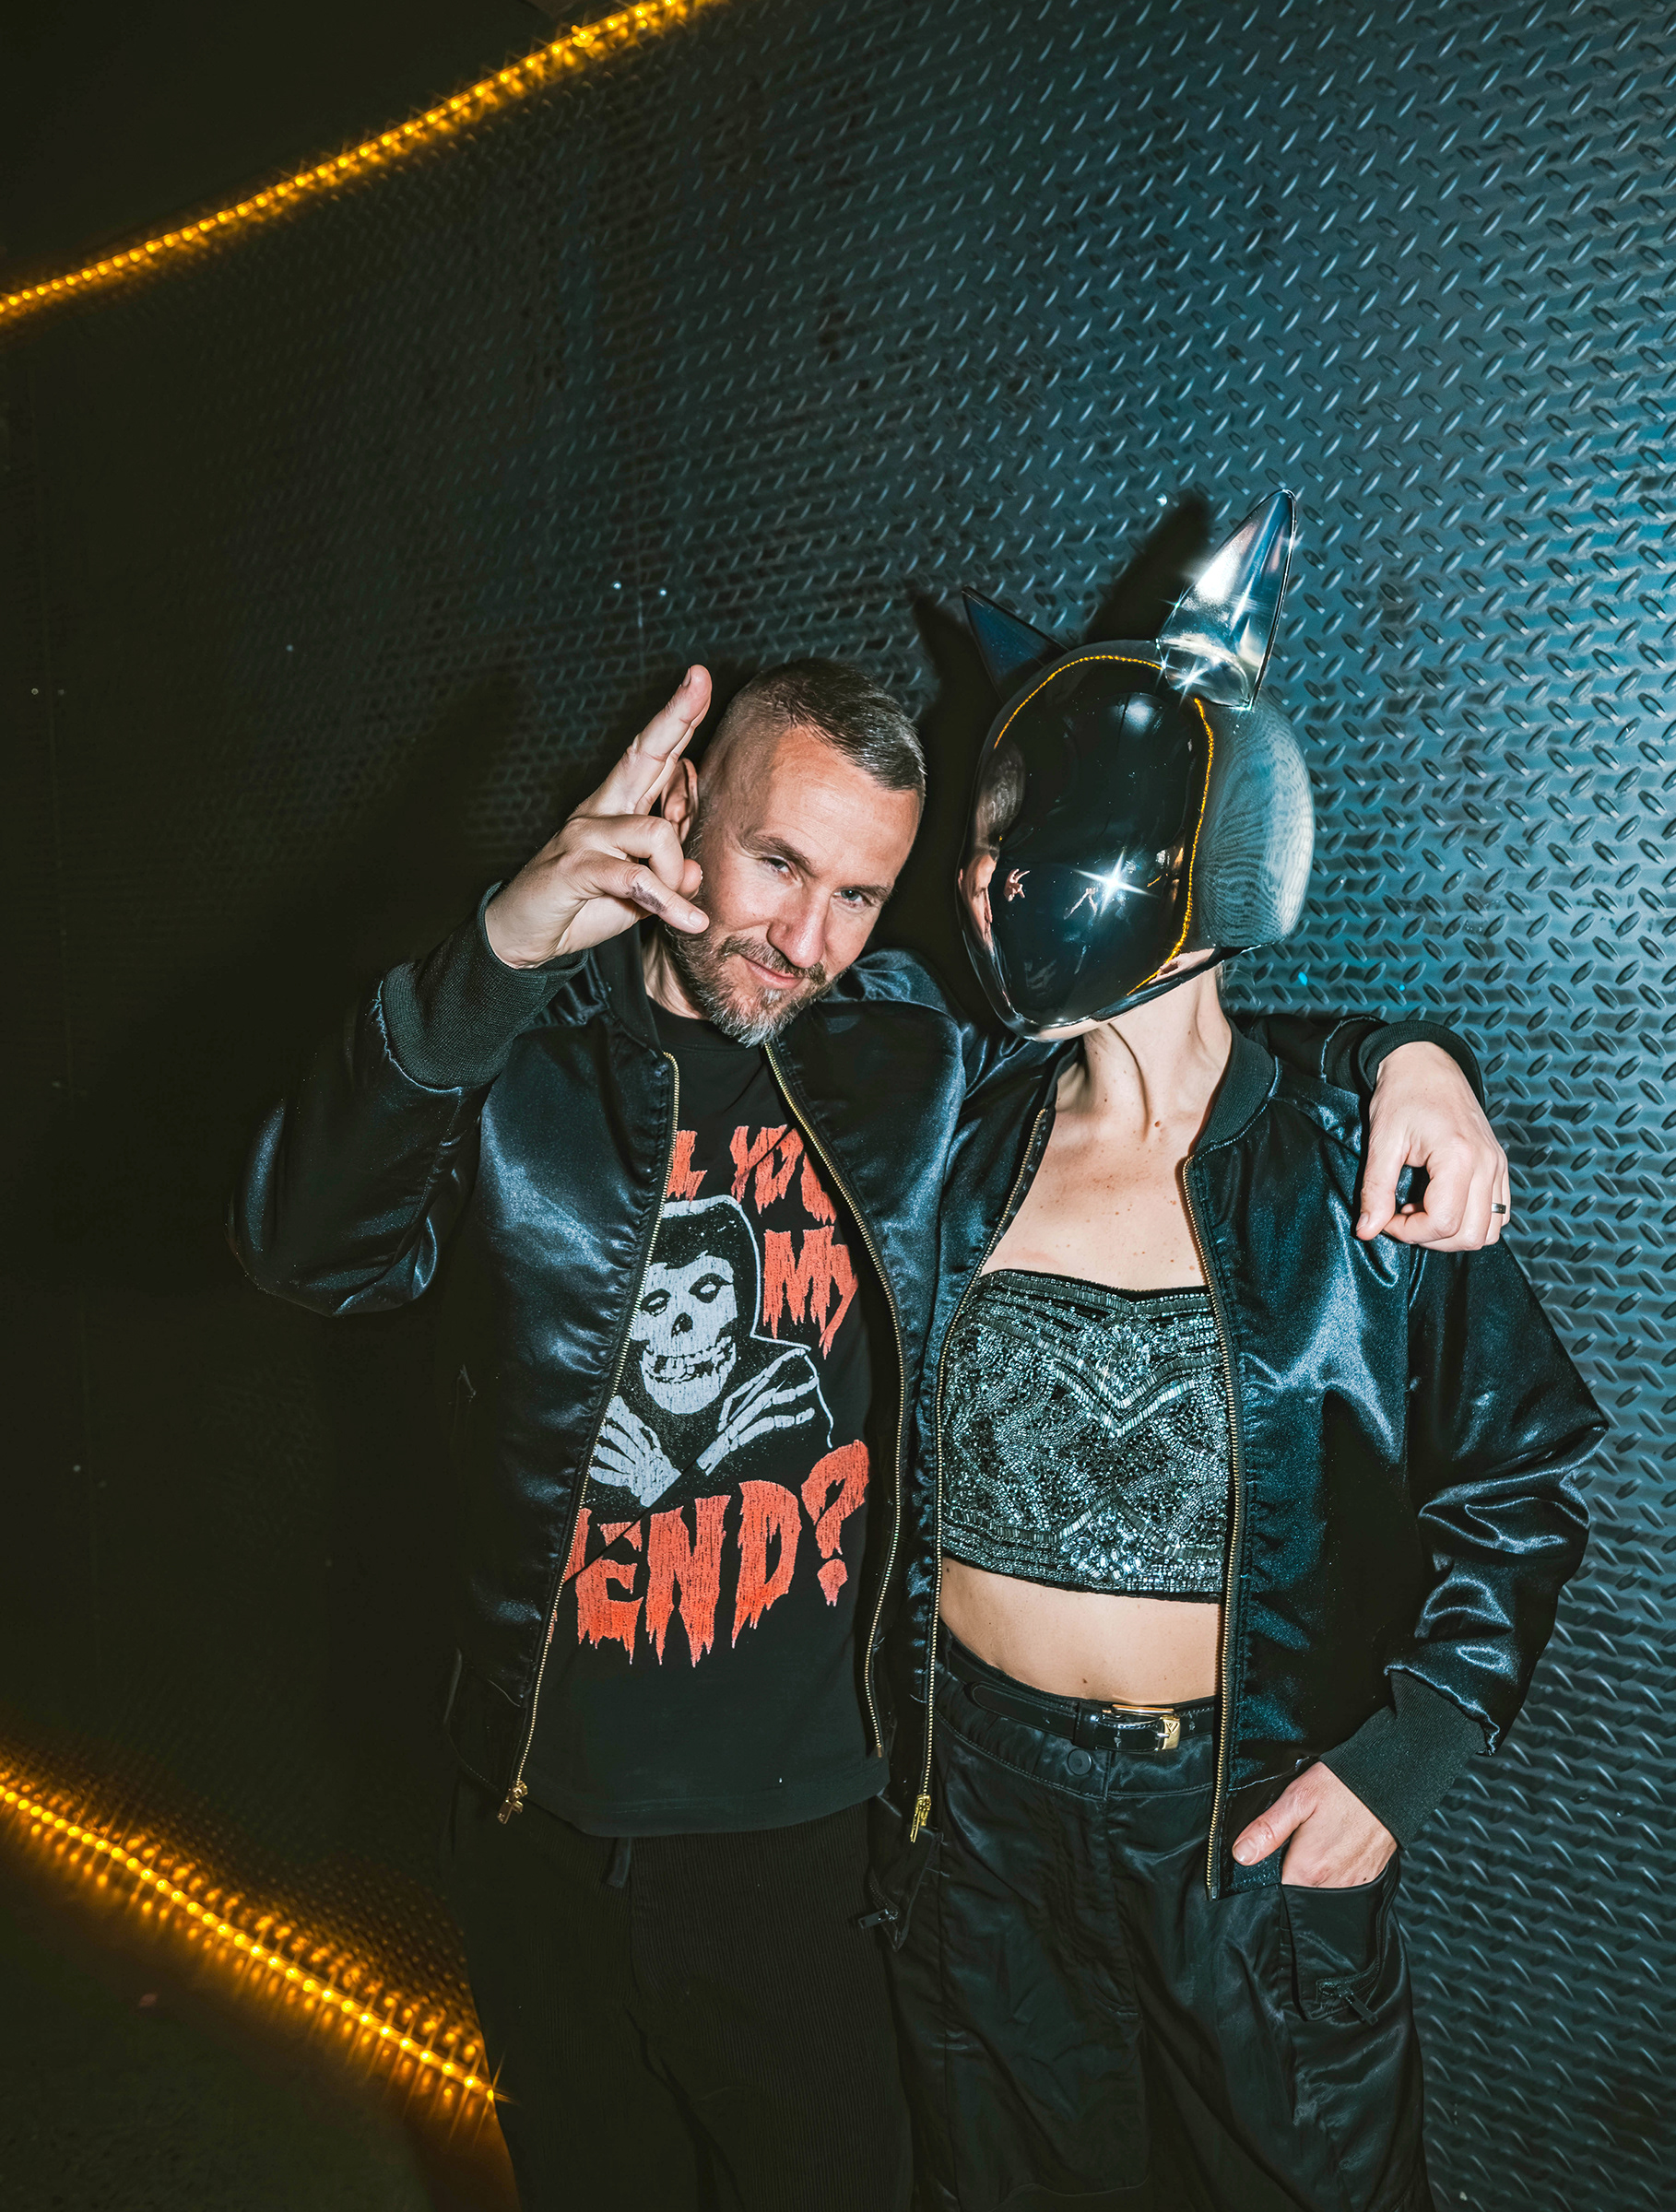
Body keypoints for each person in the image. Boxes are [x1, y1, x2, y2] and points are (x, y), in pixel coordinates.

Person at [230, 619, 1509, 2209]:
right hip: (533, 1814)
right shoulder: (516, 1058)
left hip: (814, 1843)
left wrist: (1401, 1058)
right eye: (777, 864)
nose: (803, 939)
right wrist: (501, 945)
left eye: (856, 895)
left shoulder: (907, 1057)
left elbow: (1161, 1048)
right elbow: (305, 1251)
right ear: (682, 812)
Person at [877, 498, 1605, 2212]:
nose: (974, 881)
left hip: (1235, 1825)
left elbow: (1521, 1480)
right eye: (976, 844)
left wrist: (1408, 1754)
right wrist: (1402, 1039)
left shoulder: (1358, 1170)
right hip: (974, 1809)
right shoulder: (955, 1130)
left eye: (1011, 835)